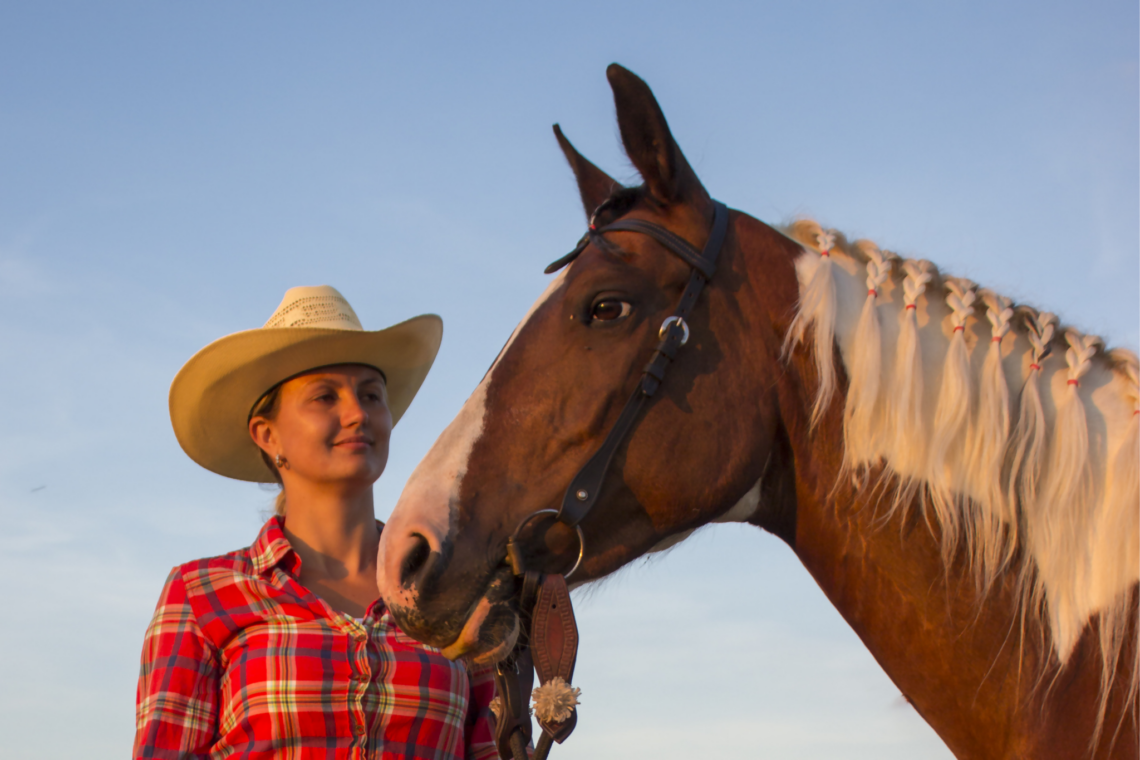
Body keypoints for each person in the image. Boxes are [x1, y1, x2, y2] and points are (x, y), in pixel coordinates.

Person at [134, 285, 497, 760]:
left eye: (371, 394)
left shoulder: (450, 595)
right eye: (325, 396)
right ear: (267, 435)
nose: (357, 414)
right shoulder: (202, 594)